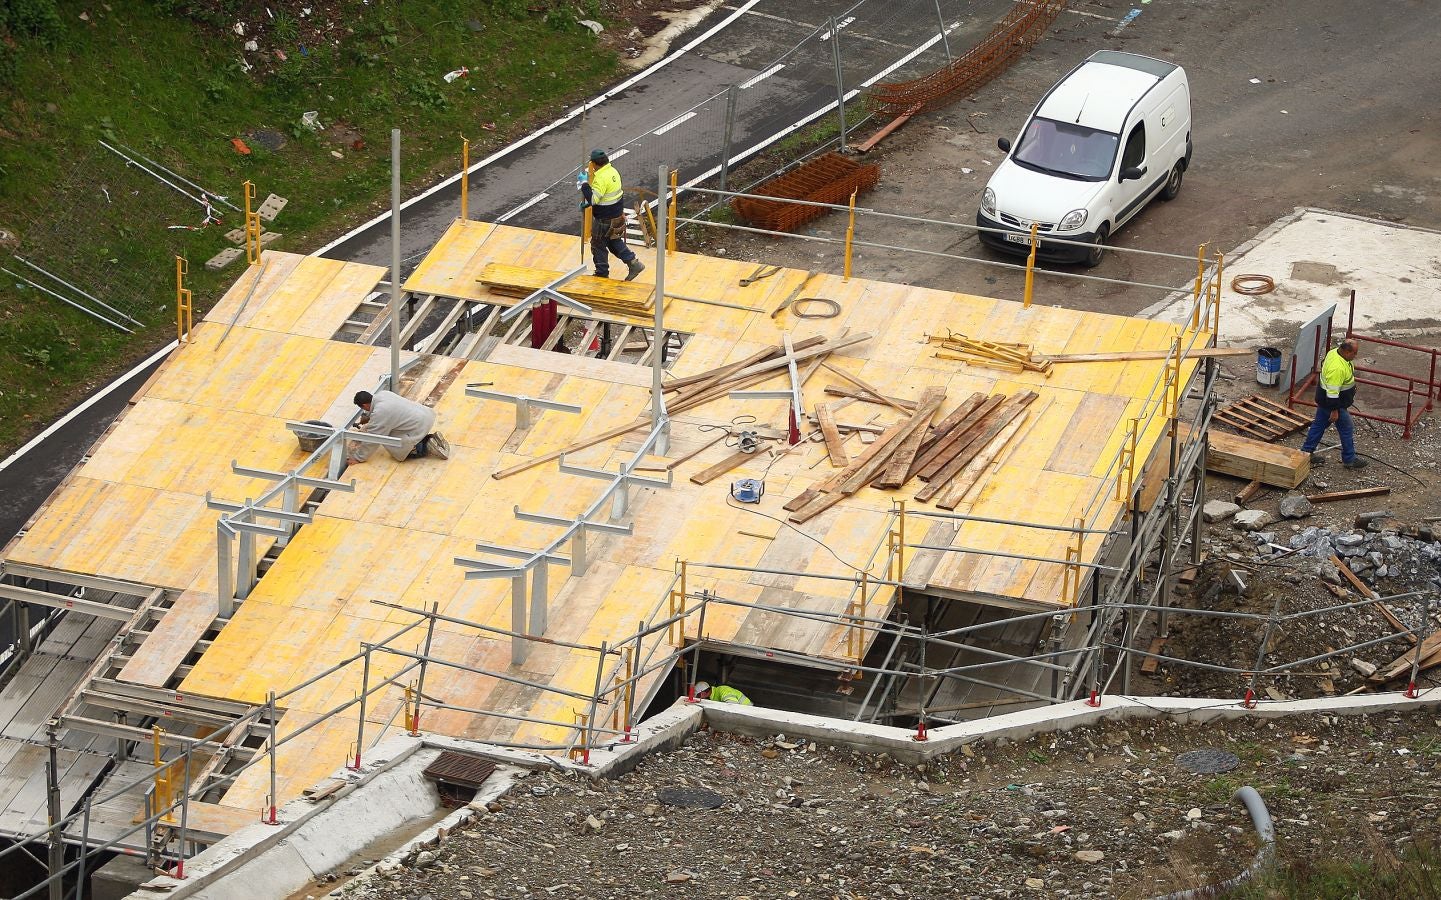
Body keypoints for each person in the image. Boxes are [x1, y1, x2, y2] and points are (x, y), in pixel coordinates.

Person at [1300, 338, 1367, 469]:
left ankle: (1306, 452)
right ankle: (1349, 459)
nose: (1355, 356)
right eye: (1354, 353)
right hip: (1334, 404)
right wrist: (1335, 410)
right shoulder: (1337, 368)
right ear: (1347, 352)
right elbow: (1332, 392)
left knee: (1318, 426)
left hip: (1324, 400)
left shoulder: (1334, 352)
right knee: (1346, 428)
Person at [580, 149, 645, 282]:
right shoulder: (613, 172)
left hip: (604, 219)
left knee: (598, 244)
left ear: (593, 164)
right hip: (616, 216)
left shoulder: (600, 178)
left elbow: (594, 199)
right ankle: (633, 263)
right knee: (612, 240)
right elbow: (612, 195)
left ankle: (602, 274)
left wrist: (584, 184)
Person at [347, 390, 450, 465]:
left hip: (417, 426)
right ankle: (430, 438)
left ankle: (425, 446)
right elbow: (391, 411)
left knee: (390, 440)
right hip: (426, 417)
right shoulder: (383, 394)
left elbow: (374, 438)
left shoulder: (380, 412)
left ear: (364, 405)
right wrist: (370, 417)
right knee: (394, 427)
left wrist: (358, 458)